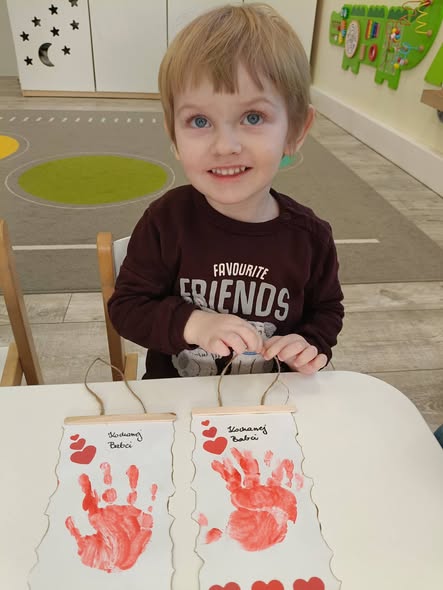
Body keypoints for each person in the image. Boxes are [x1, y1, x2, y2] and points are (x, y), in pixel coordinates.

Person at [108, 3, 344, 379]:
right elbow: (127, 309)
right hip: (178, 399)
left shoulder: (311, 238)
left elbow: (327, 312)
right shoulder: (165, 221)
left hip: (273, 400)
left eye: (253, 117)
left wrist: (308, 343)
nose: (225, 146)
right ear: (174, 136)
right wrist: (194, 324)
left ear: (296, 130)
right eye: (199, 120)